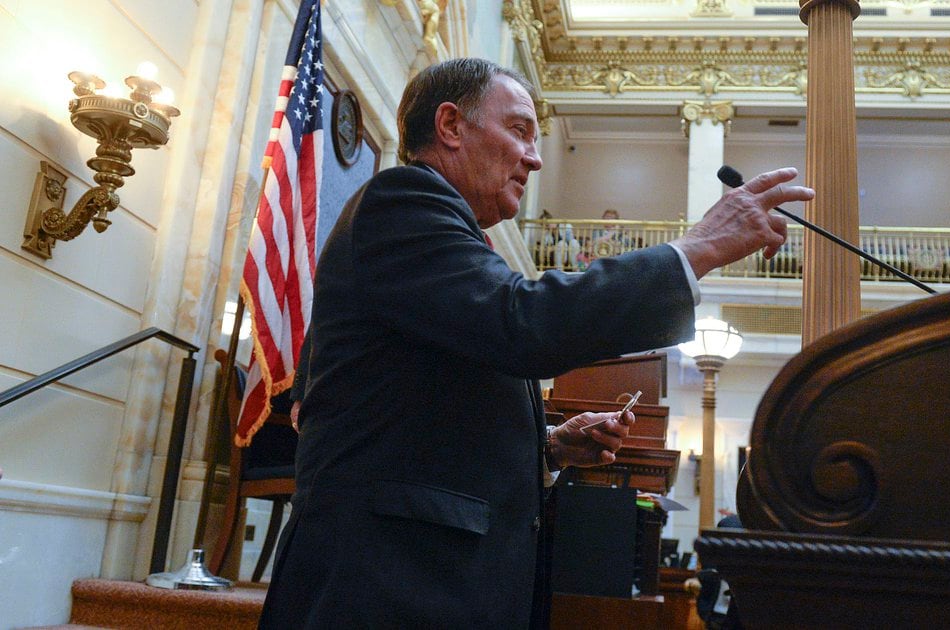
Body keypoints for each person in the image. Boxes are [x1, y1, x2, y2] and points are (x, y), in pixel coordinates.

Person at [258, 57, 812, 629]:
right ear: (450, 125)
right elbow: (520, 324)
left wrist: (547, 446)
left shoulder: (450, 237)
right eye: (519, 130)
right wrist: (696, 250)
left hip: (424, 583)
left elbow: (421, 415)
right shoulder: (402, 202)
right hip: (383, 586)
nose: (535, 157)